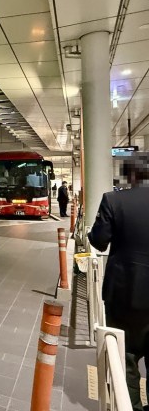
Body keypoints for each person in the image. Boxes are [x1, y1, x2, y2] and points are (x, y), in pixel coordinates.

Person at [87, 156, 149, 411]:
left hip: (125, 294)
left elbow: (99, 241)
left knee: (125, 358)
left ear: (128, 175)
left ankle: (130, 406)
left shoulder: (113, 200)